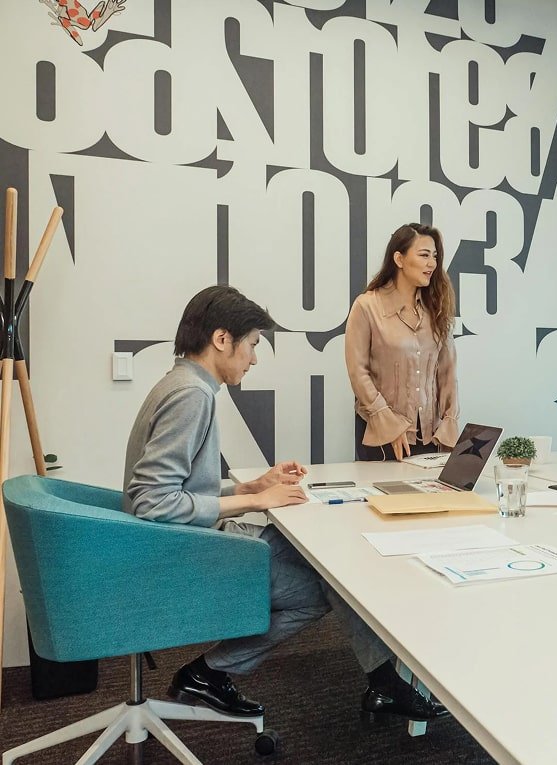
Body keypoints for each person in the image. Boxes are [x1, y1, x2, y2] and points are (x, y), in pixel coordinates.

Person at [123, 285, 444, 721]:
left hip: (182, 542)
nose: (254, 359)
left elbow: (172, 491)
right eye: (253, 345)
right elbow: (152, 502)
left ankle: (384, 682)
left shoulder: (180, 384)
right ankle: (210, 671)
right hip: (186, 554)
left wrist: (250, 490)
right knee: (331, 582)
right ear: (222, 339)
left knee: (324, 560)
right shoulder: (191, 396)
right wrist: (256, 501)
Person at [345, 223, 459, 461]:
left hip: (432, 437)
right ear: (399, 259)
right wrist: (390, 426)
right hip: (382, 437)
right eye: (424, 255)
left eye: (435, 256)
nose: (432, 264)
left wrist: (449, 424)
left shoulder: (437, 309)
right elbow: (358, 373)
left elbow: (447, 375)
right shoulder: (367, 306)